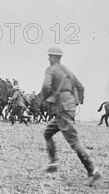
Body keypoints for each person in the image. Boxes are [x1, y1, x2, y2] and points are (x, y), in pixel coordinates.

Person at [40, 47, 101, 185]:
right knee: (47, 132)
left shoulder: (51, 69)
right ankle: (53, 162)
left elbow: (45, 86)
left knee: (74, 141)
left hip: (61, 108)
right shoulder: (67, 71)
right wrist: (74, 102)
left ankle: (93, 170)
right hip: (68, 108)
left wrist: (46, 98)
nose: (48, 59)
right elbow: (81, 87)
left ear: (53, 57)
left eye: (49, 57)